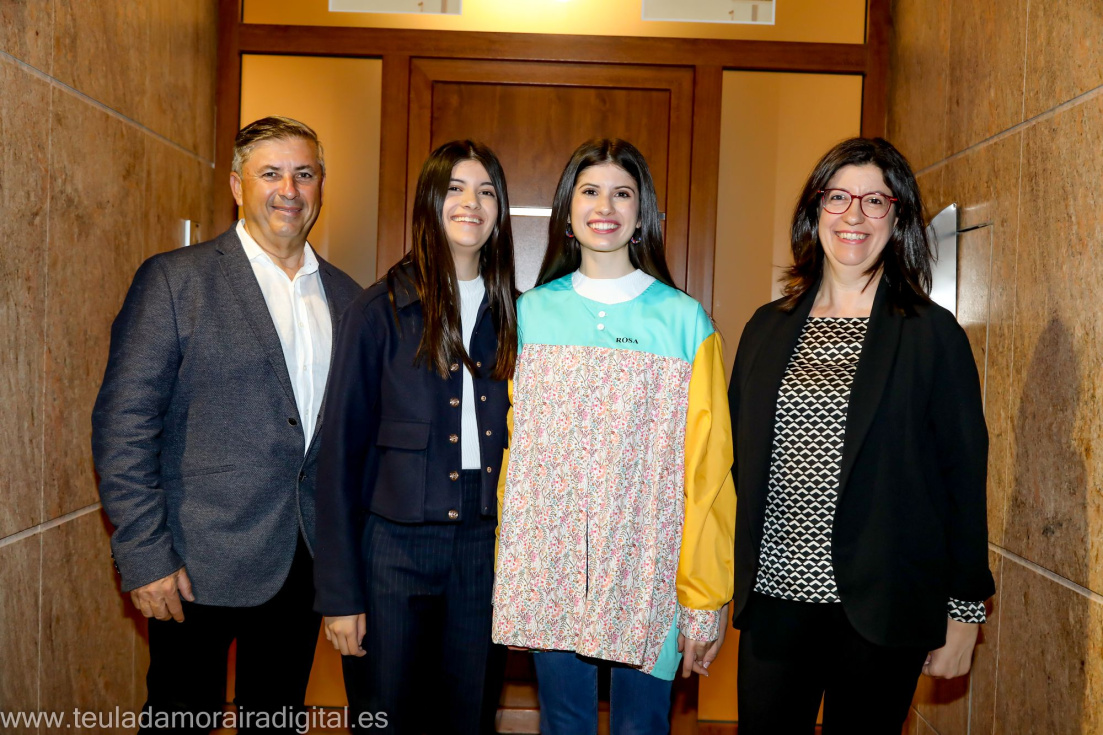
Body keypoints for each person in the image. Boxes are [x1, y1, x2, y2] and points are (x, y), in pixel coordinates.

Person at [92, 116, 361, 733]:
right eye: (271, 173)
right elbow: (124, 426)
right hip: (192, 566)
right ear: (239, 186)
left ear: (321, 187)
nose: (289, 189)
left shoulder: (349, 297)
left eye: (304, 174)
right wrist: (145, 556)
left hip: (302, 565)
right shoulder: (176, 280)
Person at [727, 137, 995, 733]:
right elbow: (738, 470)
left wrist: (963, 612)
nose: (854, 215)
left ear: (897, 219)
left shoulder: (932, 334)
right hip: (774, 603)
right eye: (838, 197)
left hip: (883, 607)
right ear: (815, 209)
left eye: (875, 201)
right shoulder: (765, 329)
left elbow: (962, 476)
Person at [492, 138, 736, 735]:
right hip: (548, 566)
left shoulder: (685, 322)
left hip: (651, 571)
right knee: (564, 723)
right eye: (590, 191)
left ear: (642, 212)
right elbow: (511, 453)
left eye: (622, 193)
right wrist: (506, 564)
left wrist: (704, 597)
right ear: (568, 212)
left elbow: (709, 470)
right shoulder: (528, 316)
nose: (605, 207)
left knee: (641, 727)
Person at [314, 140, 517, 734]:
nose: (471, 203)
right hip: (392, 552)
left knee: (469, 717)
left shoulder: (517, 315)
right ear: (429, 200)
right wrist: (340, 596)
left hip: (485, 550)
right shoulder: (377, 312)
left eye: (486, 191)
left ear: (499, 211)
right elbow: (338, 460)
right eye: (455, 188)